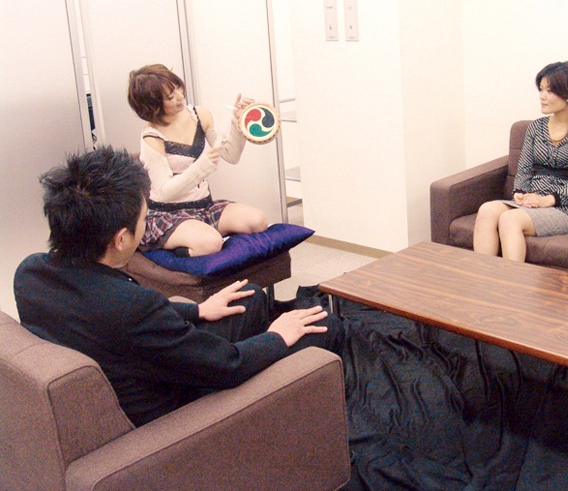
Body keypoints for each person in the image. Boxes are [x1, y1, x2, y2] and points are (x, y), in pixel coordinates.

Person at [14, 146, 345, 427]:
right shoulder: (132, 307)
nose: (146, 229)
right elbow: (229, 366)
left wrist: (198, 310)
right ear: (121, 239)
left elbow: (111, 319)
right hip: (175, 407)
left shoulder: (31, 274)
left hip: (137, 364)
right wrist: (277, 336)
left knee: (250, 299)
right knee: (324, 326)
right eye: (144, 220)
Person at [128, 64, 269, 257]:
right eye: (170, 97)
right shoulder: (152, 137)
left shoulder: (199, 115)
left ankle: (199, 235)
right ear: (153, 106)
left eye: (178, 87)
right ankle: (182, 245)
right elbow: (164, 193)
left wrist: (238, 121)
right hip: (168, 213)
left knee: (258, 221)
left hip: (204, 206)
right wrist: (201, 167)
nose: (180, 96)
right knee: (211, 243)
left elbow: (231, 155)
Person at [473, 61, 568, 261]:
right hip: (533, 200)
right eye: (541, 89)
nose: (542, 96)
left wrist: (548, 200)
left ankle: (513, 281)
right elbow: (524, 168)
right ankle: (482, 277)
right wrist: (519, 192)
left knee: (509, 219)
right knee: (487, 210)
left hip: (566, 207)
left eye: (550, 91)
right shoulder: (536, 127)